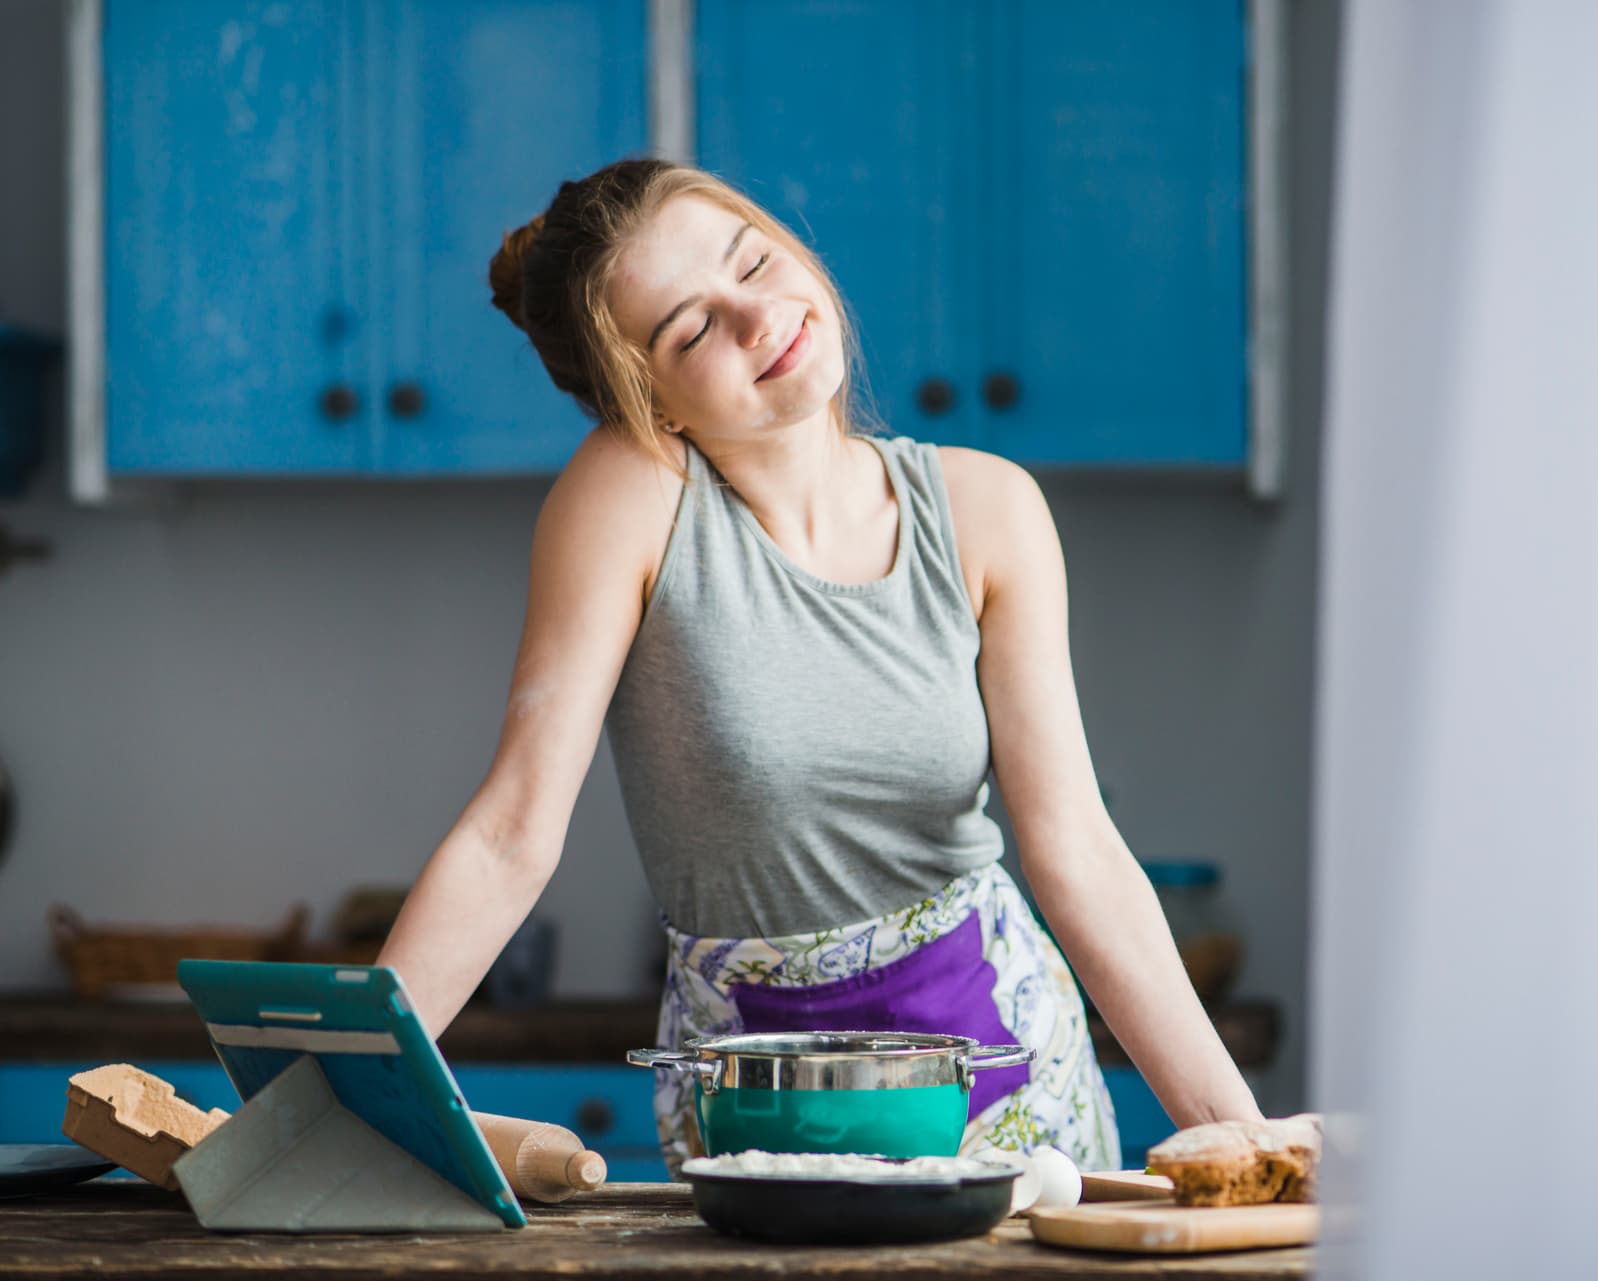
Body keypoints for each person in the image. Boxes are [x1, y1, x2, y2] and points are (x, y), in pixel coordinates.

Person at [375, 156, 1263, 1173]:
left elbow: (1076, 853)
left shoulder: (988, 510)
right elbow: (510, 833)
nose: (758, 317)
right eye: (693, 329)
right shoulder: (634, 496)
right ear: (650, 404)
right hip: (758, 1104)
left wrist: (1236, 1132)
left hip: (1007, 1082)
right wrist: (364, 1079)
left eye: (755, 262)